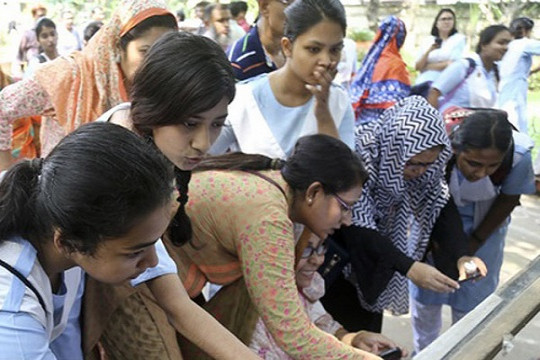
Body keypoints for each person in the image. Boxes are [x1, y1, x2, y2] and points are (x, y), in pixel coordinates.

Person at [0, 122, 259, 360]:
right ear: (68, 244)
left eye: (153, 242)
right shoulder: (11, 313)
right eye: (136, 253)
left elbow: (180, 308)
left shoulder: (103, 211)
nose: (153, 261)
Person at [82, 31, 238, 359]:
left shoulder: (142, 133)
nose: (203, 142)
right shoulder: (124, 163)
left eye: (216, 124)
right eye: (190, 124)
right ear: (156, 106)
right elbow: (176, 305)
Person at [176, 134, 381, 360]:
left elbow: (303, 314)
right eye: (345, 207)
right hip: (146, 285)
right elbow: (294, 335)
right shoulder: (269, 220)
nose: (348, 220)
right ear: (314, 192)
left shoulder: (277, 192)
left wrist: (349, 338)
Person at [321, 96, 486, 333]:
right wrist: (408, 266)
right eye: (413, 163)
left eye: (428, 165)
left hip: (373, 265)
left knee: (366, 337)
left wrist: (461, 255)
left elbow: (439, 202)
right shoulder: (359, 152)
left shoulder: (420, 166)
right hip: (334, 260)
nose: (420, 172)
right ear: (395, 150)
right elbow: (357, 224)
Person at [410, 109, 535, 352]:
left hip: (486, 231)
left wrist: (473, 244)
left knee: (473, 304)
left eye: (492, 166)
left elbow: (508, 200)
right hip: (434, 224)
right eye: (473, 163)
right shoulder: (436, 149)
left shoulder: (518, 157)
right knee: (426, 298)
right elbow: (425, 198)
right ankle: (424, 352)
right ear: (455, 149)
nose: (480, 173)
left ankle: (467, 354)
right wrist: (447, 247)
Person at [0, 0, 178, 169]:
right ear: (118, 45)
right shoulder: (68, 75)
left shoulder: (159, 87)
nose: (155, 62)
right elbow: (3, 105)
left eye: (163, 54)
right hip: (64, 194)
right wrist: (5, 173)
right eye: (145, 51)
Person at [212, 0, 354, 157]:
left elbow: (343, 175)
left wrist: (323, 114)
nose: (326, 61)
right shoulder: (244, 99)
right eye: (314, 49)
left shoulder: (338, 102)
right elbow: (202, 155)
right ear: (287, 47)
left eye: (335, 50)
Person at [250, 233, 409, 358]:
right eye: (306, 250)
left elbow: (325, 326)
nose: (318, 259)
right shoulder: (253, 314)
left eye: (322, 247)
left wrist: (354, 339)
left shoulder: (303, 291)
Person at [427, 25, 512, 112]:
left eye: (508, 44)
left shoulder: (496, 73)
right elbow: (435, 92)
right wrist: (433, 121)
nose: (506, 48)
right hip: (452, 122)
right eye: (501, 43)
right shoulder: (465, 66)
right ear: (484, 45)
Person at [350, 16, 411, 125]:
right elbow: (398, 107)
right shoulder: (395, 64)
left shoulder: (369, 61)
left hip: (359, 126)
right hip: (384, 129)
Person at [227, 0, 290, 81]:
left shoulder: (300, 49)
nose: (299, 10)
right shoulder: (239, 63)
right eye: (290, 2)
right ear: (264, 6)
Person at [498, 17, 540, 133]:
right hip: (516, 89)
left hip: (501, 89)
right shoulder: (525, 44)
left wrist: (531, 71)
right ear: (527, 31)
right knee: (518, 123)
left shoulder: (504, 46)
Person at [414, 8, 466, 85]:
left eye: (450, 19)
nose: (447, 22)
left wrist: (427, 66)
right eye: (443, 19)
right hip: (424, 81)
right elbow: (418, 67)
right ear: (437, 23)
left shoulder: (458, 39)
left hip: (446, 81)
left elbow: (452, 64)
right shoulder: (427, 40)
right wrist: (429, 50)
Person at [15, 3, 47, 75]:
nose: (42, 19)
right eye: (40, 16)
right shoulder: (28, 33)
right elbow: (20, 53)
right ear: (34, 16)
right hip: (31, 68)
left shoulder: (48, 33)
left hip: (45, 68)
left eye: (44, 16)